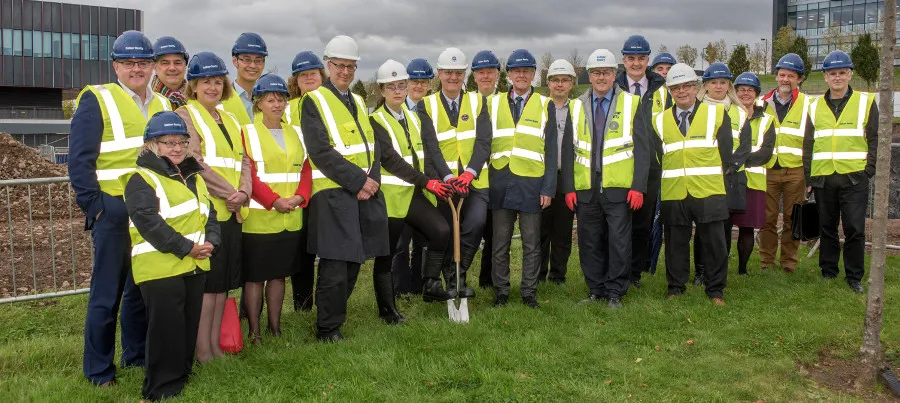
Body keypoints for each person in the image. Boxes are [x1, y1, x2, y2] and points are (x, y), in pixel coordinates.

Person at [69, 30, 172, 387]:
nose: (136, 69)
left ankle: (135, 355)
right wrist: (97, 208)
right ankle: (98, 371)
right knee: (106, 294)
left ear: (152, 67)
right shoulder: (96, 99)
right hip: (113, 211)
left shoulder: (162, 105)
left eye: (143, 62)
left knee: (140, 289)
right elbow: (80, 161)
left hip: (151, 212)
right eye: (128, 63)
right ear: (116, 66)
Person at [121, 111, 219, 401]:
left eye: (181, 142)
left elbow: (209, 214)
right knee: (166, 330)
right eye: (168, 142)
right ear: (152, 145)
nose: (176, 148)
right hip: (160, 267)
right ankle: (160, 389)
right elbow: (148, 222)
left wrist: (212, 241)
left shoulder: (193, 176)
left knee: (187, 326)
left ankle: (181, 378)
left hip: (195, 263)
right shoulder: (141, 178)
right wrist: (186, 247)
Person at [300, 35, 389, 341]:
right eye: (340, 65)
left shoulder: (359, 101)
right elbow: (320, 151)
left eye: (351, 67)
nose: (345, 72)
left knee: (355, 261)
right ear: (328, 65)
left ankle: (335, 318)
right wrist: (359, 181)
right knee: (336, 265)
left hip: (363, 192)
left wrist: (371, 181)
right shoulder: (313, 100)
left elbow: (371, 145)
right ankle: (327, 328)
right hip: (334, 194)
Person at [174, 52, 250, 362]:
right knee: (207, 286)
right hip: (208, 212)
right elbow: (193, 161)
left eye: (218, 81)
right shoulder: (185, 116)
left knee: (223, 285)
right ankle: (202, 350)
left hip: (232, 210)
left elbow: (244, 159)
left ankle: (216, 346)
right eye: (206, 81)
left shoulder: (230, 118)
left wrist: (244, 191)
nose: (213, 87)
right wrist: (231, 192)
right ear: (193, 84)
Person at [369, 59, 456, 322]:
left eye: (401, 85)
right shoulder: (375, 121)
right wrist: (427, 182)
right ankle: (388, 310)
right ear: (382, 90)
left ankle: (429, 283)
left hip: (414, 194)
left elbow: (427, 155)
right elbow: (391, 160)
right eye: (391, 86)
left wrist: (440, 180)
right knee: (387, 254)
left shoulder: (416, 118)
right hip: (391, 197)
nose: (397, 90)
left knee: (441, 231)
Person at [562, 50, 648, 308]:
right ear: (589, 75)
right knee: (589, 242)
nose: (601, 77)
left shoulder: (632, 103)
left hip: (619, 187)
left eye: (607, 72)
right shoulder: (575, 105)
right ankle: (595, 290)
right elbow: (568, 150)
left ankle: (615, 292)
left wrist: (638, 187)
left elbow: (644, 149)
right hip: (585, 187)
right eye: (597, 73)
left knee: (619, 242)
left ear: (614, 74)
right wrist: (568, 188)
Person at [652, 63, 741, 305]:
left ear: (697, 88)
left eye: (687, 86)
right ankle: (675, 288)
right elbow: (657, 156)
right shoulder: (658, 121)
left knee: (714, 244)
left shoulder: (717, 114)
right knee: (675, 244)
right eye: (676, 88)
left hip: (709, 190)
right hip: (674, 191)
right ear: (670, 91)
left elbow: (726, 154)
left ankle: (715, 290)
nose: (682, 91)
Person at [241, 74, 312, 341]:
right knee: (256, 277)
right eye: (270, 99)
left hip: (291, 216)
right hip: (260, 218)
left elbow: (305, 169)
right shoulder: (246, 133)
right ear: (258, 103)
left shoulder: (295, 132)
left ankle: (275, 328)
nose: (277, 104)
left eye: (281, 98)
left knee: (279, 276)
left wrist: (300, 197)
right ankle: (254, 332)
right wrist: (274, 201)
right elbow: (249, 174)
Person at [803, 50, 878, 294]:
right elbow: (809, 144)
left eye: (842, 72)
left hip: (855, 176)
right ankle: (828, 271)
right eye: (832, 73)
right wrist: (809, 176)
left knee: (855, 228)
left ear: (850, 74)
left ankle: (854, 276)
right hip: (824, 176)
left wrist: (869, 169)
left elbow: (876, 138)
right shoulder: (814, 106)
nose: (837, 77)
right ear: (825, 77)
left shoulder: (866, 102)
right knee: (827, 226)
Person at [421, 47, 493, 301]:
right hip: (444, 182)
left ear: (465, 75)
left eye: (458, 73)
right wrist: (449, 178)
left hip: (475, 179)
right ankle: (452, 281)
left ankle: (458, 273)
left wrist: (470, 173)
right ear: (439, 73)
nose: (453, 77)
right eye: (448, 72)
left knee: (475, 224)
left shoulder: (477, 101)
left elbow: (484, 141)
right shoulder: (426, 106)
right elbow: (431, 147)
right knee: (448, 230)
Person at [487, 48, 556, 308]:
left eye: (526, 71)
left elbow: (551, 151)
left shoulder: (545, 104)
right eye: (517, 71)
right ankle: (501, 292)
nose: (521, 75)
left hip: (531, 182)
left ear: (534, 74)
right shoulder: (493, 103)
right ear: (509, 75)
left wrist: (548, 187)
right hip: (501, 181)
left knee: (531, 243)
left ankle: (529, 292)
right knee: (500, 243)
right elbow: (484, 144)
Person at [614, 35, 669, 289]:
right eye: (631, 58)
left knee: (641, 223)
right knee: (615, 221)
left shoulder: (663, 90)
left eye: (641, 58)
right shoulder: (613, 87)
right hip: (617, 163)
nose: (636, 63)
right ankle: (615, 268)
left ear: (648, 60)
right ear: (623, 60)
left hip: (651, 167)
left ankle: (635, 273)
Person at [758, 53, 809, 273]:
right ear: (776, 77)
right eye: (781, 75)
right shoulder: (761, 103)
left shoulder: (809, 104)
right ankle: (766, 261)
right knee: (766, 218)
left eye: (791, 75)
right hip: (767, 169)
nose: (785, 79)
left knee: (792, 218)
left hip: (795, 171)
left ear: (799, 79)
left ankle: (789, 262)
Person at [391, 58, 436, 297]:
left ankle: (418, 285)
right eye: (414, 81)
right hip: (401, 184)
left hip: (427, 183)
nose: (418, 86)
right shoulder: (397, 108)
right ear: (406, 83)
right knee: (400, 241)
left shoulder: (432, 108)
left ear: (429, 84)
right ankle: (400, 287)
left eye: (423, 81)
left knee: (424, 238)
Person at [284, 50, 326, 312]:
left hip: (328, 185)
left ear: (322, 75)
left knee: (327, 246)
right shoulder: (288, 109)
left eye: (313, 73)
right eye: (303, 74)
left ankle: (327, 298)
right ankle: (303, 303)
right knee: (303, 249)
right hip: (299, 186)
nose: (309, 77)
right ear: (295, 80)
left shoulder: (331, 104)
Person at [730, 72, 776, 275]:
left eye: (750, 90)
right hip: (729, 180)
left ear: (757, 94)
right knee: (722, 225)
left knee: (747, 227)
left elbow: (767, 151)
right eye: (741, 89)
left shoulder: (767, 120)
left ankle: (742, 269)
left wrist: (740, 161)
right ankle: (719, 266)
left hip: (753, 181)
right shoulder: (726, 114)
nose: (745, 93)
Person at [538, 60, 577, 285]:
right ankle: (539, 273)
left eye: (564, 80)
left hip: (567, 177)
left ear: (571, 83)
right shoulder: (540, 108)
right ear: (548, 83)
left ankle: (558, 275)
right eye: (555, 80)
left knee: (563, 229)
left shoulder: (579, 109)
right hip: (542, 176)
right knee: (541, 228)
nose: (559, 85)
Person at [470, 49, 501, 289]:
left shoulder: (504, 102)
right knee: (470, 230)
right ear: (474, 76)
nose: (486, 76)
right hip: (472, 178)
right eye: (481, 72)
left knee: (494, 232)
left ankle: (487, 280)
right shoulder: (467, 103)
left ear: (497, 74)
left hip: (498, 176)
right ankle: (457, 277)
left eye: (490, 71)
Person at [647, 52, 676, 276]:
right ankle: (648, 264)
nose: (665, 73)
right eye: (660, 69)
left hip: (673, 166)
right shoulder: (652, 93)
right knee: (651, 218)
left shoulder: (680, 94)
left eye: (668, 69)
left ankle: (661, 265)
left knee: (669, 220)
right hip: (653, 164)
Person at [222, 32, 268, 125]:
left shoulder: (272, 100)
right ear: (235, 61)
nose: (252, 65)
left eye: (258, 60)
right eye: (247, 59)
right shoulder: (221, 99)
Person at [150, 36, 189, 108]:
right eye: (165, 63)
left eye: (177, 63)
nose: (172, 68)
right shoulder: (145, 100)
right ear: (154, 66)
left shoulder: (200, 99)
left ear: (185, 66)